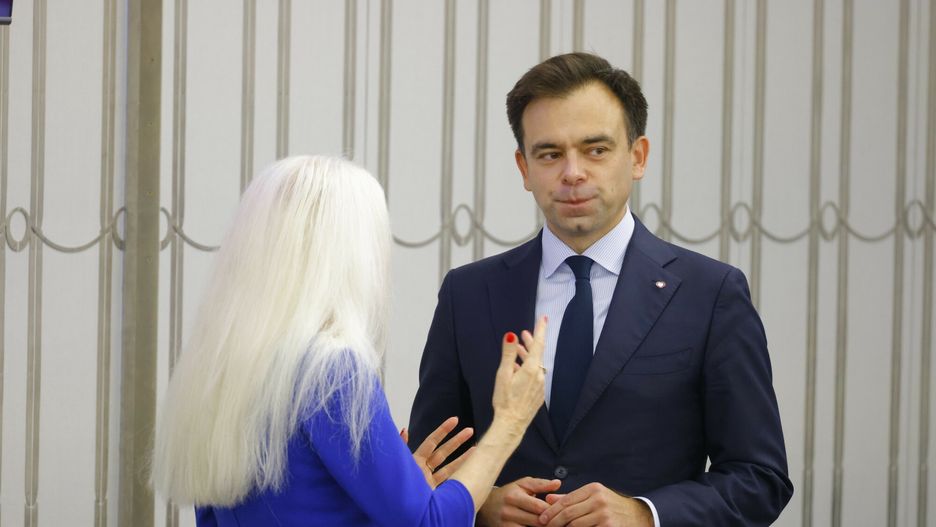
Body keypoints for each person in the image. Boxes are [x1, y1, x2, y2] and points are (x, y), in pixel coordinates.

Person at [408, 53, 793, 526]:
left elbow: (760, 478)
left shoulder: (710, 294)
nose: (573, 172)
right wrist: (479, 504)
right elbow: (428, 460)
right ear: (524, 168)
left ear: (638, 157)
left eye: (595, 150)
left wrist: (645, 514)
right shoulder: (468, 293)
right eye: (550, 154)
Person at [151, 155, 549, 526]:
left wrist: (396, 494)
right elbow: (431, 522)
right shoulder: (331, 369)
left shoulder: (221, 371)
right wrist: (509, 425)